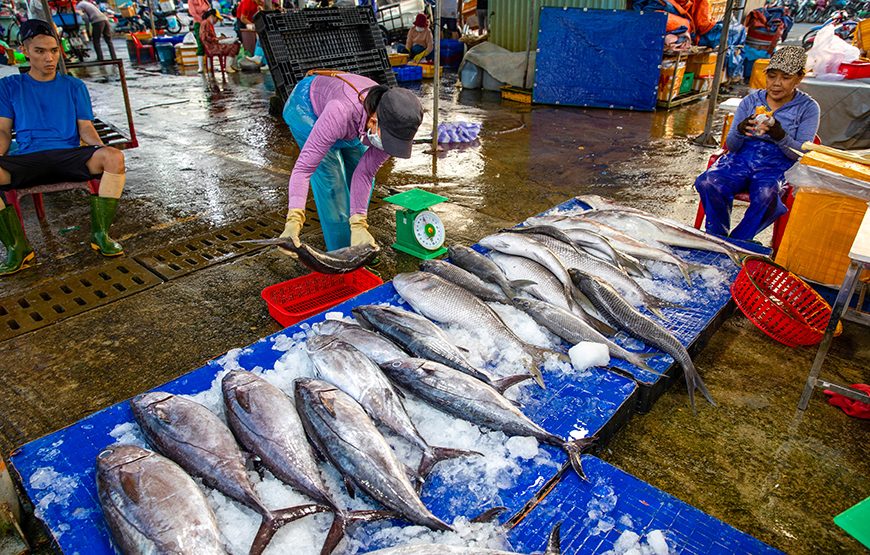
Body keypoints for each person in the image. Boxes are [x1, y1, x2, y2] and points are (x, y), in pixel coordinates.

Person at [0, 20, 127, 276]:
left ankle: (100, 234)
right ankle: (17, 247)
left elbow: (86, 128)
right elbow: (3, 130)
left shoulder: (74, 86)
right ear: (24, 50)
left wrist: (101, 148)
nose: (49, 58)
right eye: (40, 51)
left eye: (54, 50)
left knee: (114, 158)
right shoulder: (10, 86)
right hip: (28, 157)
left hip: (69, 155)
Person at [279, 71, 423, 251]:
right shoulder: (340, 112)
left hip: (354, 121)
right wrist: (294, 219)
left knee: (359, 172)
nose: (390, 147)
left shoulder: (392, 125)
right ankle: (341, 252)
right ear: (373, 121)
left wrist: (359, 223)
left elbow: (364, 174)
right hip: (307, 109)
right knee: (332, 181)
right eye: (389, 140)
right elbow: (303, 169)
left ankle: (357, 235)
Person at [694, 46, 819, 241]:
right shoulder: (750, 102)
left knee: (766, 195)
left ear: (799, 78)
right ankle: (716, 237)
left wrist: (780, 136)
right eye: (772, 76)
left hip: (778, 163)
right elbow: (732, 146)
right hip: (741, 157)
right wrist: (740, 131)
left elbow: (800, 154)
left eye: (785, 78)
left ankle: (738, 241)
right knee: (709, 182)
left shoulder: (808, 108)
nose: (776, 84)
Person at [200, 8, 241, 73]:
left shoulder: (209, 24)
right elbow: (205, 37)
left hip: (214, 44)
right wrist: (217, 40)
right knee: (234, 46)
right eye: (217, 19)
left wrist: (221, 38)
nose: (217, 21)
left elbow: (211, 37)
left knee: (237, 43)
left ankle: (233, 65)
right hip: (211, 47)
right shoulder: (205, 23)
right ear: (212, 16)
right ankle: (228, 66)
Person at [188, 0, 211, 72]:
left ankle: (210, 65)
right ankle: (201, 67)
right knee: (200, 43)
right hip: (198, 23)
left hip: (207, 23)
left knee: (209, 43)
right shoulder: (191, 1)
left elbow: (209, 9)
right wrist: (201, 20)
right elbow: (193, 12)